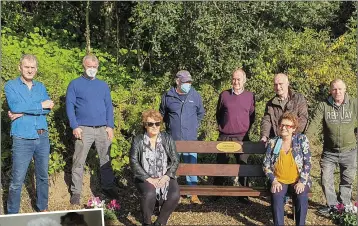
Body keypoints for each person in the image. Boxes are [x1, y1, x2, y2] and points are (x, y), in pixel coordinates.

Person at [66, 54, 118, 205]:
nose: (92, 69)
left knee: (106, 160)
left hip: (102, 128)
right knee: (78, 161)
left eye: (95, 67)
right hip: (83, 129)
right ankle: (76, 192)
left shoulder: (103, 85)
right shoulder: (75, 84)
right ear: (84, 66)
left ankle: (108, 187)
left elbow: (109, 106)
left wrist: (110, 126)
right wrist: (74, 126)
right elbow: (69, 106)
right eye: (89, 67)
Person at [4, 54, 54, 214]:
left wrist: (22, 112)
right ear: (20, 67)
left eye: (33, 68)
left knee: (43, 177)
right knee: (17, 180)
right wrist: (39, 105)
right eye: (27, 67)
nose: (30, 70)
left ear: (36, 69)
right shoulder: (11, 86)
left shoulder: (40, 87)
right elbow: (14, 105)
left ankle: (42, 207)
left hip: (42, 136)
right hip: (22, 137)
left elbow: (49, 107)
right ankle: (12, 214)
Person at [306, 79, 357, 214]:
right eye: (334, 89)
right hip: (329, 152)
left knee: (347, 180)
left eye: (340, 89)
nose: (337, 92)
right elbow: (314, 123)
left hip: (349, 151)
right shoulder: (323, 105)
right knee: (326, 180)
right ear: (330, 91)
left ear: (345, 89)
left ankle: (344, 205)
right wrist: (304, 139)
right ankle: (333, 206)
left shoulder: (353, 104)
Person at [159, 70, 205, 204]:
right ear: (177, 81)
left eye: (190, 82)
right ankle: (173, 193)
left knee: (191, 166)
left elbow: (200, 113)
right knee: (172, 166)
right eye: (185, 82)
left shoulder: (195, 95)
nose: (188, 84)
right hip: (173, 139)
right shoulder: (168, 96)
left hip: (190, 138)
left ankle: (193, 193)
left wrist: (193, 126)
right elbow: (162, 114)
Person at [130, 110, 180, 226]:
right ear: (145, 125)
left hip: (165, 174)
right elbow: (133, 161)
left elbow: (175, 159)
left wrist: (167, 176)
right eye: (150, 124)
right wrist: (149, 178)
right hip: (145, 176)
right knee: (149, 193)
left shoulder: (167, 138)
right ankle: (146, 223)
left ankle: (160, 222)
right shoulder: (138, 140)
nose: (154, 127)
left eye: (157, 123)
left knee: (174, 194)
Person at [214, 68, 255, 203]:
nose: (236, 82)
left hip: (242, 136)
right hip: (225, 135)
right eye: (234, 79)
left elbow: (252, 115)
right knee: (221, 164)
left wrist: (243, 128)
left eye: (238, 79)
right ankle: (217, 192)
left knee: (243, 164)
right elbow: (219, 114)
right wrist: (225, 127)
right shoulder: (224, 95)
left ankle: (243, 194)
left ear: (244, 80)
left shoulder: (250, 96)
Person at [263, 113, 312, 226]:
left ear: (294, 128)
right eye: (281, 125)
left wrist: (302, 181)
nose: (283, 128)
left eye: (288, 126)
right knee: (276, 194)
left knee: (302, 194)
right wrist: (273, 180)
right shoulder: (273, 142)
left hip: (297, 180)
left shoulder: (301, 140)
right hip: (279, 180)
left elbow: (307, 162)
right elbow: (266, 164)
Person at [260, 73, 308, 142]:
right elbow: (266, 121)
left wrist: (291, 135)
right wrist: (264, 136)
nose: (278, 87)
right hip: (277, 141)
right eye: (275, 84)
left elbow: (303, 119)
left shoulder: (298, 99)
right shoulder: (270, 104)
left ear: (287, 83)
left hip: (295, 141)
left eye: (280, 84)